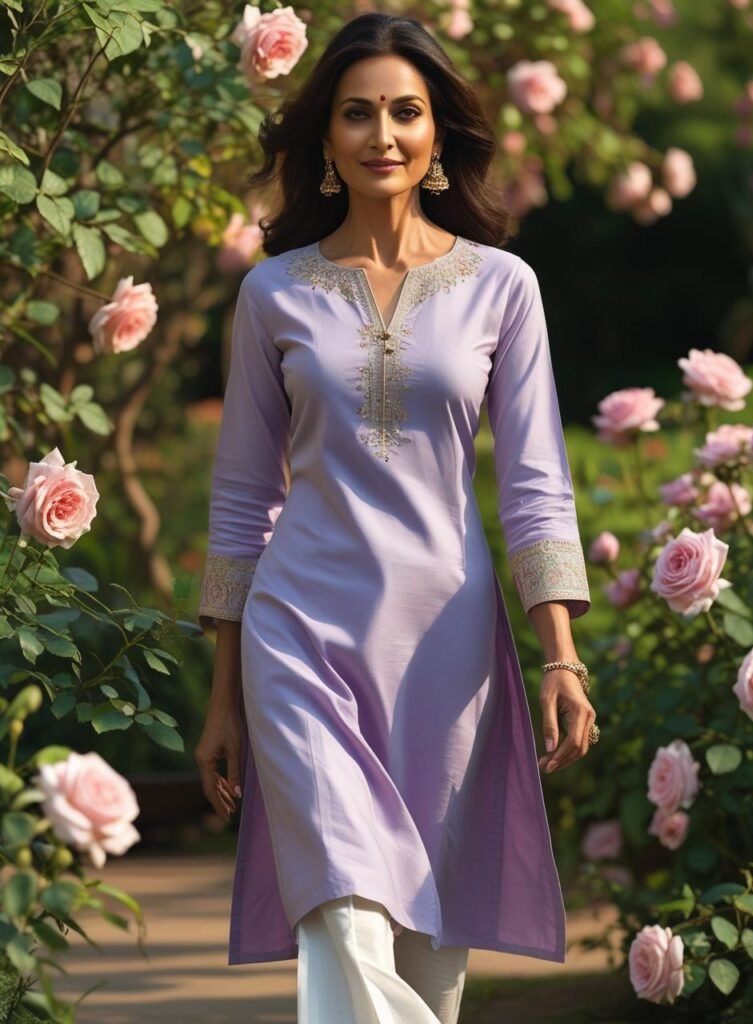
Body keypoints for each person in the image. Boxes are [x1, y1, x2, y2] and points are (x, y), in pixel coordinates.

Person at [194, 11, 599, 1024]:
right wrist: (222, 694)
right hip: (298, 638)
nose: (383, 134)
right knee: (340, 903)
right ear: (325, 140)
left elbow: (537, 480)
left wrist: (560, 653)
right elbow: (245, 498)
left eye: (404, 112)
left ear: (437, 135)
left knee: (424, 949)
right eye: (358, 113)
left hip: (444, 655)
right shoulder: (272, 294)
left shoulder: (504, 288)